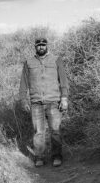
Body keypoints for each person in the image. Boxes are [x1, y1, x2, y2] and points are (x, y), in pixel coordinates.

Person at [19, 37, 68, 167]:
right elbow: (23, 83)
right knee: (38, 132)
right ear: (35, 47)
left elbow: (63, 81)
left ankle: (57, 156)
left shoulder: (56, 60)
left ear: (47, 46)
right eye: (38, 45)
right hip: (36, 103)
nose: (41, 47)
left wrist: (64, 98)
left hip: (53, 102)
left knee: (55, 131)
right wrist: (23, 100)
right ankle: (39, 157)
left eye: (43, 45)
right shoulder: (28, 62)